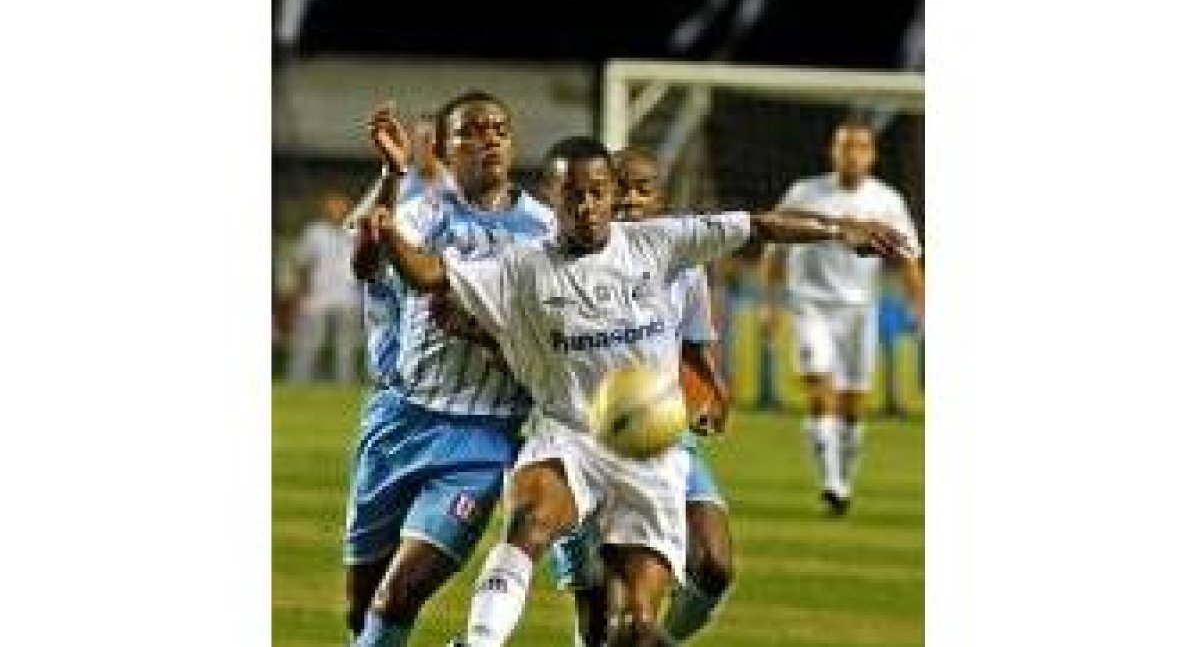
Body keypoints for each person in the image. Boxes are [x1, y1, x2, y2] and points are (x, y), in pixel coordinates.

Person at [360, 137, 910, 646]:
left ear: (610, 194)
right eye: (572, 195)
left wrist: (841, 231)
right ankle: (478, 640)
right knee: (529, 523)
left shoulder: (657, 244)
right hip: (569, 435)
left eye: (597, 193)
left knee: (633, 627)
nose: (586, 206)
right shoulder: (517, 267)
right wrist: (388, 232)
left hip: (652, 455)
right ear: (553, 197)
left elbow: (760, 225)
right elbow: (430, 274)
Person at [344, 90, 556, 647]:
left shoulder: (545, 232)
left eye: (499, 129)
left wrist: (484, 334)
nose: (489, 139)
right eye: (472, 131)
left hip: (481, 438)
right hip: (399, 420)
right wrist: (392, 174)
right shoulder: (419, 214)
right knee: (361, 606)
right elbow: (367, 262)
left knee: (400, 593)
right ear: (441, 147)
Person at [547, 146, 735, 645]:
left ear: (661, 199)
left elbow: (693, 343)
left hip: (662, 434)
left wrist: (715, 392)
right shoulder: (564, 257)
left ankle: (660, 637)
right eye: (621, 188)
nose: (630, 199)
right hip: (584, 442)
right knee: (597, 614)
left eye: (643, 189)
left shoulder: (682, 262)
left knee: (714, 564)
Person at [762, 117, 924, 515]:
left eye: (860, 147)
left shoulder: (887, 201)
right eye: (844, 146)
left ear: (872, 154)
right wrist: (771, 302)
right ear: (832, 151)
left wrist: (920, 305)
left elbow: (908, 260)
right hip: (809, 305)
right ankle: (831, 484)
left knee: (853, 407)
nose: (851, 154)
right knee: (820, 391)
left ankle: (844, 482)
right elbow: (774, 245)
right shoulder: (805, 193)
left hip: (858, 312)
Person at [287, 189, 360, 383]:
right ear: (324, 209)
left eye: (341, 206)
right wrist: (300, 295)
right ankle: (298, 381)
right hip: (317, 296)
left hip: (348, 296)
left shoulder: (355, 232)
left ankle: (344, 382)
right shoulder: (313, 232)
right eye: (332, 207)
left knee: (346, 345)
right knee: (310, 342)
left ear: (348, 208)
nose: (336, 210)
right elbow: (301, 265)